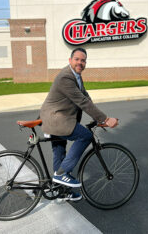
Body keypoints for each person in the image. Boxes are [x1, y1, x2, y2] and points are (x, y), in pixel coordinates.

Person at [40, 47, 118, 201]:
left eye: (83, 60)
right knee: (85, 136)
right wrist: (105, 119)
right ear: (70, 60)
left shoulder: (76, 76)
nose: (80, 62)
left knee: (60, 153)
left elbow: (86, 98)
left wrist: (99, 119)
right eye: (77, 59)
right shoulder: (66, 77)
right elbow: (81, 102)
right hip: (56, 118)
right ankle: (62, 174)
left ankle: (62, 191)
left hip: (57, 118)